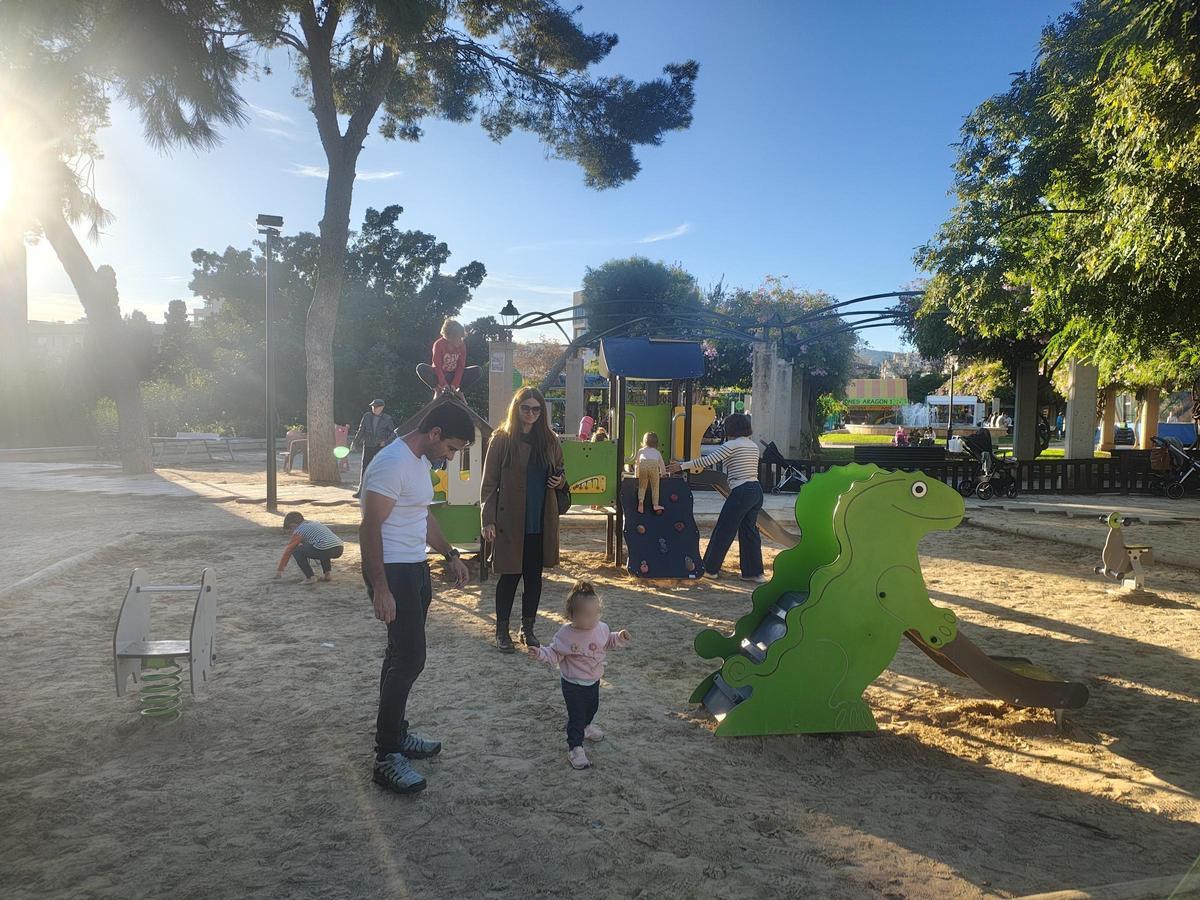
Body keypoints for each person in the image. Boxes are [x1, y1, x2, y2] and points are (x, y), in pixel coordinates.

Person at [360, 402, 473, 796]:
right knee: (410, 658)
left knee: (398, 657)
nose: (451, 456)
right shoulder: (391, 463)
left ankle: (396, 733)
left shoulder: (421, 463)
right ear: (435, 433)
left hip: (415, 567)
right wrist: (381, 587)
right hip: (392, 570)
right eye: (452, 448)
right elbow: (369, 526)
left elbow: (423, 518)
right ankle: (386, 755)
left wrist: (451, 554)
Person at [480, 387, 567, 653]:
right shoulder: (501, 439)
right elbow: (489, 484)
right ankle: (501, 631)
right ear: (516, 409)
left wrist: (560, 480)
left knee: (534, 578)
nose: (531, 413)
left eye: (536, 409)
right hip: (510, 520)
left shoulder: (550, 441)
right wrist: (488, 520)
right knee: (509, 577)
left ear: (542, 412)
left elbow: (562, 474)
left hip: (540, 520)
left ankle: (527, 628)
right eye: (526, 408)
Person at [526, 580, 631, 770]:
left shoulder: (601, 628)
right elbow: (554, 653)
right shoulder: (566, 634)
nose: (592, 619)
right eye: (586, 615)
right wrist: (540, 653)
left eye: (595, 614)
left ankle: (587, 726)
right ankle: (575, 747)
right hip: (572, 683)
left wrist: (619, 637)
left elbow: (607, 641)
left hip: (593, 680)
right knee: (576, 715)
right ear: (572, 616)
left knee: (592, 707)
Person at [667, 413, 765, 583]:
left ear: (730, 428)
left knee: (724, 530)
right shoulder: (752, 445)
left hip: (741, 490)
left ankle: (711, 568)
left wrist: (681, 466)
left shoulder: (731, 445)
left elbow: (708, 460)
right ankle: (754, 572)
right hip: (756, 490)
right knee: (749, 532)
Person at [417, 318, 482, 397]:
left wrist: (455, 384)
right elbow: (437, 366)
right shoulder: (439, 344)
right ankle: (437, 390)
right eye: (458, 338)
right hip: (439, 375)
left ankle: (460, 392)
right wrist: (443, 384)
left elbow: (461, 366)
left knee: (477, 370)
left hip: (454, 375)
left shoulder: (462, 345)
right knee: (421, 368)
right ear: (450, 337)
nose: (460, 340)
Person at [275, 512, 344, 584]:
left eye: (290, 530)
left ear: (293, 525)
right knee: (322, 546)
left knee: (296, 551)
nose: (292, 533)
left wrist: (279, 570)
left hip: (325, 548)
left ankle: (310, 577)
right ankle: (327, 575)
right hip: (339, 548)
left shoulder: (299, 531)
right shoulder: (315, 523)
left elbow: (288, 550)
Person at [351, 399, 395, 499]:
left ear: (381, 408)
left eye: (376, 407)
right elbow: (361, 430)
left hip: (380, 447)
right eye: (372, 406)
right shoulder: (366, 416)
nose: (373, 408)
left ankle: (383, 493)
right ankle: (361, 491)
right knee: (365, 468)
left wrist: (386, 442)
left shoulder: (387, 419)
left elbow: (393, 433)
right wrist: (355, 443)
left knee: (382, 469)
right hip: (368, 445)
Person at [635, 431, 666, 514]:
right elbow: (661, 464)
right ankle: (655, 504)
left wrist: (637, 474)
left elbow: (637, 464)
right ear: (656, 443)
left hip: (643, 465)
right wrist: (663, 473)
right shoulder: (657, 452)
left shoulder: (641, 451)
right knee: (655, 486)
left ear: (644, 441)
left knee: (642, 485)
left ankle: (641, 502)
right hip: (653, 465)